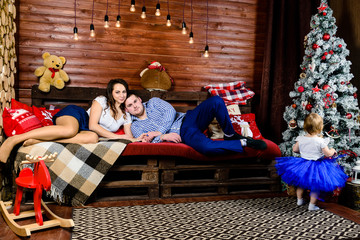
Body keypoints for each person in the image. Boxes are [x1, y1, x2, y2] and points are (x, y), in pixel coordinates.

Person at [0, 79, 134, 163]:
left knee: (93, 138)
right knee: (70, 130)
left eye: (124, 92)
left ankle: (39, 140)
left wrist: (138, 139)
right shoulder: (102, 101)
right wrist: (117, 136)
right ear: (111, 93)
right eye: (118, 92)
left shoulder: (125, 115)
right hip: (77, 116)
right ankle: (15, 139)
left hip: (84, 131)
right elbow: (93, 125)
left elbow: (129, 136)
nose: (122, 95)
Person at [124, 93, 267, 155]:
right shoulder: (136, 126)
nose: (135, 106)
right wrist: (162, 137)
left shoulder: (154, 102)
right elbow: (145, 140)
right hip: (185, 132)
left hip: (189, 118)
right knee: (206, 148)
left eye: (135, 101)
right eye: (130, 105)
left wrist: (160, 132)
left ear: (139, 99)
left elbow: (170, 112)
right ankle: (243, 143)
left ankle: (230, 135)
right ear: (127, 110)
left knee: (216, 101)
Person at [275, 113, 348, 211]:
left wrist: (304, 150)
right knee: (315, 186)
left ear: (305, 126)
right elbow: (327, 154)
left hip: (303, 164)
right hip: (317, 165)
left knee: (301, 184)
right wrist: (332, 150)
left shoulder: (301, 139)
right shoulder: (320, 141)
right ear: (320, 127)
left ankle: (299, 200)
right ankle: (312, 205)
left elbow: (295, 150)